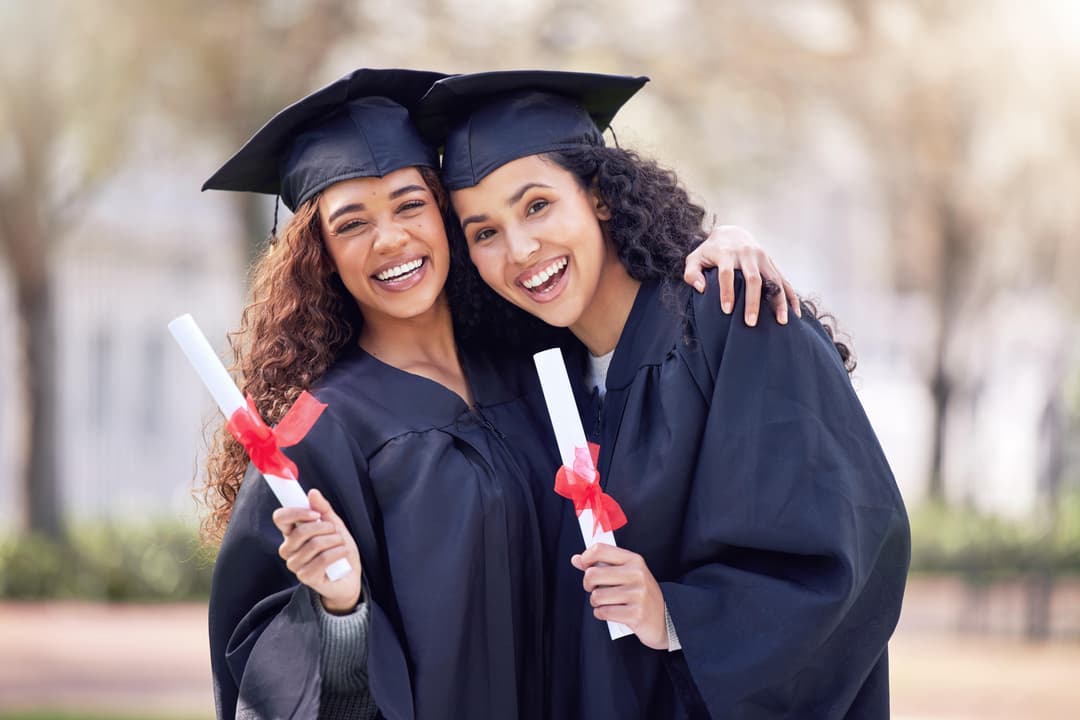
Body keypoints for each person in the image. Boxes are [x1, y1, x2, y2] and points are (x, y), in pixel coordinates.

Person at [199, 68, 798, 719]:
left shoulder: (543, 367)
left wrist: (713, 246)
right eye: (351, 224)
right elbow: (275, 681)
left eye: (409, 204)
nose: (392, 239)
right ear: (321, 255)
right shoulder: (320, 436)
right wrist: (341, 613)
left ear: (445, 217)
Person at [419, 70, 912, 718]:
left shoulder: (728, 321)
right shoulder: (531, 383)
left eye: (537, 205)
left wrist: (676, 616)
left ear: (598, 193)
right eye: (484, 232)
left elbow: (848, 552)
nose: (519, 248)